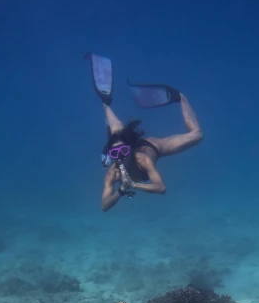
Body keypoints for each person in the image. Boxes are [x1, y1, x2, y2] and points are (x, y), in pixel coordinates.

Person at [85, 53, 203, 212]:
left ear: (130, 150)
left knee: (197, 135)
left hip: (152, 147)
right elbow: (104, 206)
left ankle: (179, 97)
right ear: (111, 154)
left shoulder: (143, 160)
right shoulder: (113, 174)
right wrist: (120, 191)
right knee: (117, 133)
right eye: (115, 152)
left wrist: (133, 185)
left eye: (123, 151)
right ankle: (106, 104)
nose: (120, 155)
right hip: (127, 143)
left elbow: (161, 188)